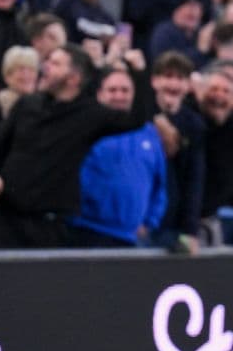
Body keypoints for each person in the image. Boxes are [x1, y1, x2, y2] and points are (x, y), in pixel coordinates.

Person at [0, 45, 157, 249]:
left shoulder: (90, 115)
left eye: (55, 64)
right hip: (4, 219)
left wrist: (139, 73)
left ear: (73, 78)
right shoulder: (27, 104)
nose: (45, 67)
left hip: (48, 227)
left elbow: (136, 119)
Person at [70, 66, 167, 248]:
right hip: (88, 231)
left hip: (132, 237)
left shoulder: (149, 133)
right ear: (100, 94)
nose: (119, 96)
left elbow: (159, 184)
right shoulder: (86, 127)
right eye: (112, 90)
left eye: (125, 90)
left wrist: (150, 222)